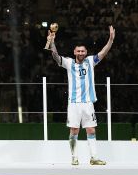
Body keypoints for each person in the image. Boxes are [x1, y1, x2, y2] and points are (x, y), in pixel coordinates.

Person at [48, 25, 115, 165]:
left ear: (86, 52)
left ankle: (94, 158)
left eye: (83, 51)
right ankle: (74, 157)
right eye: (78, 50)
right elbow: (55, 56)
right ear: (74, 52)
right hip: (73, 102)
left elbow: (103, 52)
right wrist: (51, 42)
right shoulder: (69, 63)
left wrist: (111, 40)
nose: (80, 52)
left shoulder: (90, 61)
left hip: (88, 102)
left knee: (91, 129)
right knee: (74, 130)